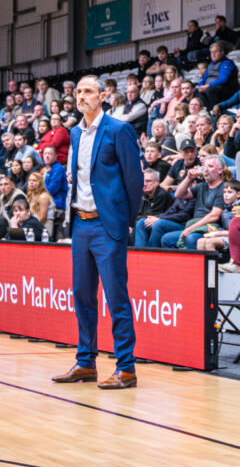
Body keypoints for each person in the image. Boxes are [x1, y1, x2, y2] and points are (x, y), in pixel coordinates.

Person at [52, 76, 142, 390]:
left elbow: (134, 180)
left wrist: (126, 220)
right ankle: (86, 362)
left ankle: (126, 368)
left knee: (116, 297)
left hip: (108, 226)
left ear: (102, 96)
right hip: (80, 224)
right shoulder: (75, 133)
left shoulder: (119, 130)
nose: (82, 96)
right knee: (82, 296)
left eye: (88, 91)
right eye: (78, 92)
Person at [160, 155, 226, 249]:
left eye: (210, 167)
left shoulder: (223, 187)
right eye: (205, 167)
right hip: (194, 225)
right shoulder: (201, 186)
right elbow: (179, 194)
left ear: (220, 170)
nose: (206, 170)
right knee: (166, 239)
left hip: (210, 227)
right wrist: (188, 178)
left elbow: (214, 216)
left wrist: (190, 229)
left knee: (191, 238)